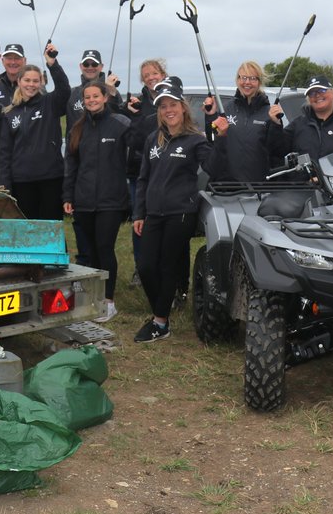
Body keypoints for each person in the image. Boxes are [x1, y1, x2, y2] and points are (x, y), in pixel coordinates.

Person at [132, 78, 219, 343]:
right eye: (163, 106)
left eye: (172, 105)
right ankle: (162, 306)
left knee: (167, 265)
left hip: (181, 212)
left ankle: (160, 322)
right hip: (153, 213)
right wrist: (139, 213)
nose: (168, 110)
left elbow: (213, 167)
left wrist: (214, 130)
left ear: (182, 107)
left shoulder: (195, 140)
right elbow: (143, 179)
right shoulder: (153, 139)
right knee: (146, 266)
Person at [63, 82, 131, 323]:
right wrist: (68, 196)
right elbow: (71, 165)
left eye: (96, 96)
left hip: (111, 200)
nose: (91, 100)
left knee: (104, 248)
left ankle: (108, 301)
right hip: (83, 199)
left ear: (105, 97)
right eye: (87, 97)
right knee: (89, 251)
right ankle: (91, 296)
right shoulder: (77, 128)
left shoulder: (119, 125)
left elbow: (135, 152)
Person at [0, 46, 70, 220]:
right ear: (19, 81)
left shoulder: (49, 103)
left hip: (50, 177)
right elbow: (4, 153)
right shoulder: (9, 113)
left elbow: (64, 89)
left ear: (41, 82)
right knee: (27, 229)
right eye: (27, 80)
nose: (31, 84)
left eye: (35, 81)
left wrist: (52, 64)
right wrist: (5, 185)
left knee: (51, 227)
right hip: (21, 181)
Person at [123, 58, 168, 284]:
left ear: (163, 75)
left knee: (164, 221)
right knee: (140, 220)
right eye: (146, 75)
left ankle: (162, 266)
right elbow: (133, 139)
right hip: (140, 171)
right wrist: (134, 115)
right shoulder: (137, 103)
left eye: (154, 73)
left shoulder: (171, 99)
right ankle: (140, 267)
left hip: (167, 172)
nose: (151, 78)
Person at [266, 74, 333, 163]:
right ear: (308, 99)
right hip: (304, 177)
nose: (317, 95)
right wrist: (276, 124)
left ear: (332, 93)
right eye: (312, 93)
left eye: (322, 90)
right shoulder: (297, 125)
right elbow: (277, 151)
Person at [205, 60, 274, 182]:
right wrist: (210, 117)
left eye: (252, 78)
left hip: (257, 187)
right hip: (227, 186)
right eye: (243, 77)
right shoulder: (225, 109)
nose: (247, 82)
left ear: (259, 82)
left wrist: (277, 124)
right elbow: (212, 139)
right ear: (237, 80)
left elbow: (277, 151)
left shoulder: (269, 113)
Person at [65, 49, 122, 133]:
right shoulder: (71, 94)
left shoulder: (113, 92)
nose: (90, 67)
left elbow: (119, 119)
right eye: (86, 64)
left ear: (101, 66)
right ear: (81, 66)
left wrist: (111, 93)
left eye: (94, 64)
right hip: (76, 141)